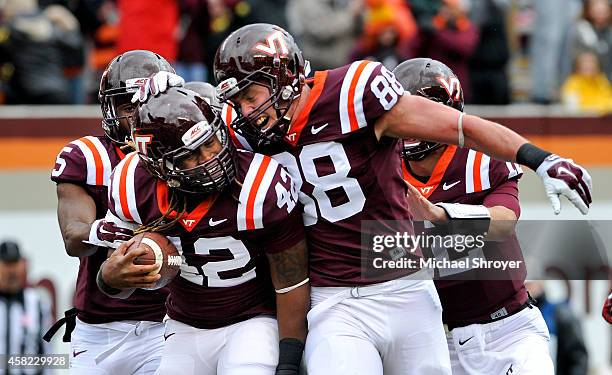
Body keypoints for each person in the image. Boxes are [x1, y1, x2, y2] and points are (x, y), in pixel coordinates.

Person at [137, 22, 592, 374]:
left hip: (408, 291)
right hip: (334, 300)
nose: (246, 111)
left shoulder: (352, 92)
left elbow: (459, 127)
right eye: (237, 101)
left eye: (251, 95)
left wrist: (540, 158)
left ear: (283, 78)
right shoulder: (246, 132)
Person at [97, 87, 309, 375]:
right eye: (191, 155)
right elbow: (119, 280)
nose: (211, 157)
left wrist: (289, 361)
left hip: (253, 322)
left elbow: (291, 283)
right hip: (184, 325)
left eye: (210, 140)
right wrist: (108, 279)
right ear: (161, 167)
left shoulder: (259, 185)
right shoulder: (132, 186)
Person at [395, 58, 554, 375]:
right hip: (435, 340)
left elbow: (504, 220)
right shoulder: (383, 168)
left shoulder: (479, 157)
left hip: (509, 328)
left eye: (422, 110)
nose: (412, 121)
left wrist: (440, 215)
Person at [49, 50, 184, 374]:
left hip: (167, 324)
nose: (138, 115)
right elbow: (74, 237)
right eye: (127, 106)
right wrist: (103, 231)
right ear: (110, 110)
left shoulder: (188, 156)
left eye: (146, 103)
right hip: (98, 330)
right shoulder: (88, 156)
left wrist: (174, 258)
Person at [0, 241, 53, 372]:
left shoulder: (37, 303)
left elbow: (46, 352)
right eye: (7, 264)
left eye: (15, 263)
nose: (12, 271)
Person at [526, 281, 589, 375]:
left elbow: (577, 357)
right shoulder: (515, 317)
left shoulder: (559, 313)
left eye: (530, 282)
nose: (526, 286)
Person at [560, 50, 612, 114]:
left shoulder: (602, 81)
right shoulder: (572, 83)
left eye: (592, 62)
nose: (589, 65)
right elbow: (573, 109)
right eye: (585, 62)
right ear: (578, 67)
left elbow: (609, 101)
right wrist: (600, 108)